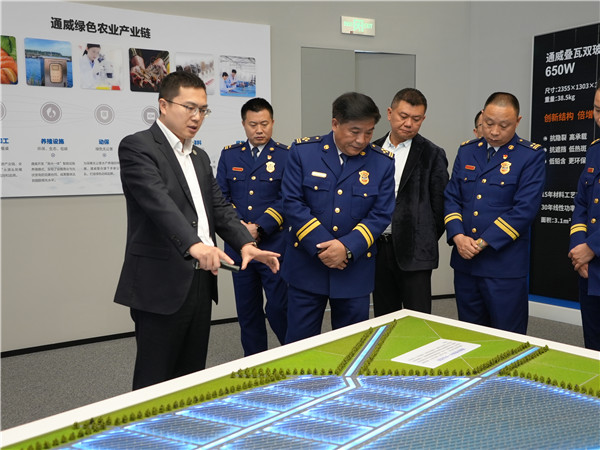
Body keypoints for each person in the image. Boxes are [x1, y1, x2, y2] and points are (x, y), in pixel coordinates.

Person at [114, 71, 281, 390]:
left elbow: (219, 207)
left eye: (203, 109)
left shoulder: (199, 156)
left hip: (201, 280)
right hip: (160, 281)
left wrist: (245, 244)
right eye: (189, 107)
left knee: (191, 376)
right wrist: (195, 245)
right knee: (154, 379)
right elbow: (159, 204)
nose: (196, 116)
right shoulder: (138, 147)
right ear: (163, 105)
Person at [281, 92, 395, 343]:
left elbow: (380, 214)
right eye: (354, 131)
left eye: (368, 132)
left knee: (350, 346)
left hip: (353, 270)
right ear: (335, 124)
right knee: (300, 344)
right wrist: (325, 247)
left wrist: (346, 248)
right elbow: (292, 203)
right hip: (307, 267)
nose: (361, 140)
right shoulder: (303, 152)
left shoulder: (382, 163)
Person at [444, 92, 546, 334]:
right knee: (470, 335)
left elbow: (524, 210)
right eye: (489, 123)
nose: (494, 131)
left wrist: (481, 243)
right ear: (482, 116)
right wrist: (458, 236)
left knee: (507, 335)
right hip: (466, 263)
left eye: (504, 125)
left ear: (517, 122)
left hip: (504, 267)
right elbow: (452, 197)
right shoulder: (467, 151)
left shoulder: (530, 155)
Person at [216, 98, 289, 356]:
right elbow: (221, 197)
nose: (259, 130)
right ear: (244, 124)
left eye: (264, 124)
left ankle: (291, 354)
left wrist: (259, 226)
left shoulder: (286, 155)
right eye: (253, 124)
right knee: (248, 312)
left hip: (274, 247)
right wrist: (241, 229)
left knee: (279, 308)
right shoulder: (230, 155)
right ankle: (255, 362)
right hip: (239, 248)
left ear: (273, 123)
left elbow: (287, 199)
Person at [372, 88, 449, 316]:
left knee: (418, 319)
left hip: (416, 252)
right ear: (390, 113)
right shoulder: (372, 150)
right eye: (403, 116)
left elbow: (440, 207)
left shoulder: (433, 154)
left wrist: (421, 237)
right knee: (385, 317)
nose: (408, 124)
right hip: (377, 248)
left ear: (423, 119)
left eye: (416, 119)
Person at [568, 79, 600, 351]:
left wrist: (592, 247)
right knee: (593, 346)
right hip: (590, 269)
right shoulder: (594, 150)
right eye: (598, 110)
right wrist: (579, 249)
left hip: (594, 254)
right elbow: (581, 204)